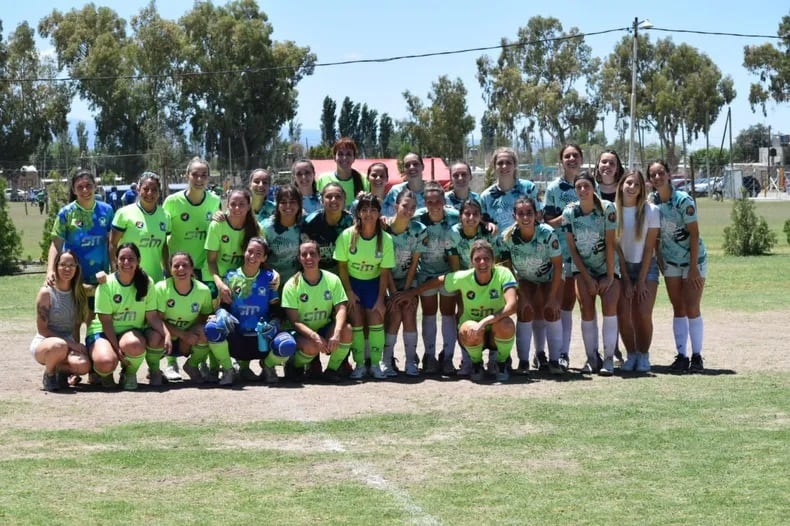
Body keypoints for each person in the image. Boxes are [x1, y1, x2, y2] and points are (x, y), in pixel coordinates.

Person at [396, 240, 517, 382]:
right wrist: (412, 292)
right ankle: (476, 363)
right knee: (469, 328)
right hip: (474, 333)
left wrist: (485, 321)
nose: (482, 263)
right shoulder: (464, 277)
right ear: (471, 262)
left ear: (493, 260)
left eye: (486, 259)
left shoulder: (503, 274)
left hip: (494, 331)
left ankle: (501, 363)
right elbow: (439, 280)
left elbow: (512, 305)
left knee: (506, 325)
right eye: (477, 259)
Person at [161, 157, 221, 380]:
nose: (199, 179)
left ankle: (200, 360)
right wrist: (167, 267)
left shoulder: (214, 201)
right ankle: (170, 363)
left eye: (203, 175)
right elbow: (163, 237)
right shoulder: (172, 202)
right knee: (172, 313)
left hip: (203, 268)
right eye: (195, 174)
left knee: (203, 315)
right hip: (177, 270)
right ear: (187, 175)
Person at [648, 159, 707, 373]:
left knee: (692, 307)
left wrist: (693, 267)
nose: (657, 177)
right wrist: (661, 261)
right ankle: (681, 355)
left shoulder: (683, 200)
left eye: (661, 173)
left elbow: (694, 234)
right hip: (671, 262)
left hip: (693, 261)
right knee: (678, 308)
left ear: (669, 174)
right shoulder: (652, 202)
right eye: (653, 175)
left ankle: (697, 356)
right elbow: (654, 235)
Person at [211, 237, 295, 383]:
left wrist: (274, 322)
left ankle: (268, 367)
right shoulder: (231, 277)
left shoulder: (269, 278)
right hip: (237, 338)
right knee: (212, 327)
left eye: (258, 253)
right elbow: (224, 306)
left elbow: (275, 308)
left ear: (264, 258)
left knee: (288, 344)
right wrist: (221, 312)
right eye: (250, 251)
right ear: (244, 252)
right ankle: (228, 369)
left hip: (262, 339)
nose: (253, 256)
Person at [87, 243, 170, 390]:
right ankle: (105, 375)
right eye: (122, 258)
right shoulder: (106, 284)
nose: (126, 262)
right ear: (116, 260)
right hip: (103, 331)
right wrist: (117, 350)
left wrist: (167, 334)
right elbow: (105, 322)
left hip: (129, 332)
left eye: (131, 259)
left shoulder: (147, 282)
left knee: (135, 344)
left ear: (138, 260)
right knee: (105, 362)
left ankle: (129, 373)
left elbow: (152, 317)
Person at [562, 172, 621, 375]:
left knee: (609, 306)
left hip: (608, 267)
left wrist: (610, 276)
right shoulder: (570, 212)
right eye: (578, 187)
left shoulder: (607, 209)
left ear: (593, 188)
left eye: (586, 186)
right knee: (586, 307)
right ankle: (591, 358)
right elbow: (572, 248)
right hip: (583, 268)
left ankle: (609, 358)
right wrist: (586, 278)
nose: (582, 190)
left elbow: (610, 244)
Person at [498, 198, 564, 374]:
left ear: (536, 215)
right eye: (521, 213)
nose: (525, 217)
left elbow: (558, 266)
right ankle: (524, 362)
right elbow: (507, 269)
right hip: (524, 279)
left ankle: (555, 360)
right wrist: (522, 295)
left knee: (551, 311)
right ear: (514, 216)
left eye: (529, 213)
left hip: (550, 277)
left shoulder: (547, 234)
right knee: (525, 311)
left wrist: (552, 299)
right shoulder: (508, 237)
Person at [334, 193, 395, 379]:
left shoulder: (385, 239)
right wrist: (349, 292)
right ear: (358, 213)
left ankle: (375, 365)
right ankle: (359, 365)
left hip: (373, 285)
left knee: (376, 320)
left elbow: (384, 272)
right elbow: (342, 267)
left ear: (379, 214)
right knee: (357, 323)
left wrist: (380, 299)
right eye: (364, 210)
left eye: (373, 210)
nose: (369, 214)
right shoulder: (347, 235)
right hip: (354, 284)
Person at [281, 240, 353, 383]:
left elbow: (341, 308)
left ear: (319, 257)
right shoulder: (292, 284)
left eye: (312, 254)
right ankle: (294, 366)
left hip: (322, 327)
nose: (308, 258)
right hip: (302, 333)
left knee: (347, 330)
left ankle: (332, 370)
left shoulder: (332, 279)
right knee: (311, 346)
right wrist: (314, 336)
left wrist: (337, 332)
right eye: (304, 254)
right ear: (299, 258)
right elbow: (294, 321)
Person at [542, 144, 584, 371]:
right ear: (561, 160)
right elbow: (547, 221)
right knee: (557, 303)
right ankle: (554, 354)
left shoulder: (590, 185)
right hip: (559, 254)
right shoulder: (554, 188)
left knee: (571, 304)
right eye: (567, 156)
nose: (571, 159)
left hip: (584, 253)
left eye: (575, 156)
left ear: (581, 159)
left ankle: (565, 353)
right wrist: (567, 215)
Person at [414, 181, 460, 375]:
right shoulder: (417, 219)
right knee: (429, 313)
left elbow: (475, 222)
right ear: (424, 202)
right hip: (426, 273)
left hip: (449, 272)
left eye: (437, 201)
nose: (434, 205)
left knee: (448, 313)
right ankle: (430, 356)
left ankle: (448, 356)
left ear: (444, 201)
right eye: (429, 201)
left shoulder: (454, 217)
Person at [615, 170, 660, 373]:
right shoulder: (613, 211)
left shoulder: (651, 211)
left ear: (642, 189)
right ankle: (631, 354)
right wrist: (625, 279)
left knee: (642, 313)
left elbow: (650, 248)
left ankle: (643, 354)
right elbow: (616, 248)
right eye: (628, 183)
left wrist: (641, 281)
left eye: (636, 184)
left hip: (646, 266)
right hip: (622, 267)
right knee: (624, 314)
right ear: (621, 185)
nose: (632, 188)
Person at [47, 170, 114, 302]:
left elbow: (111, 243)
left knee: (98, 319)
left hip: (100, 278)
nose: (85, 190)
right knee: (74, 321)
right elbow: (56, 244)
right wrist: (50, 270)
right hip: (73, 278)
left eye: (88, 185)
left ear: (95, 186)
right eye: (80, 187)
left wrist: (114, 269)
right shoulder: (66, 213)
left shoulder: (107, 211)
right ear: (73, 190)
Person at [32, 250, 92, 391]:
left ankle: (62, 373)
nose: (67, 268)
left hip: (67, 344)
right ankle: (50, 374)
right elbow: (43, 329)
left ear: (77, 268)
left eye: (72, 265)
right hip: (45, 343)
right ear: (56, 267)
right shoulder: (47, 292)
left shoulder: (78, 292)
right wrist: (72, 344)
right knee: (59, 346)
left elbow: (99, 289)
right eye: (63, 264)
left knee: (83, 366)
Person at [154, 252, 218, 384]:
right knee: (153, 336)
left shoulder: (203, 290)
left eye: (185, 265)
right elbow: (157, 320)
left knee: (207, 331)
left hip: (187, 339)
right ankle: (154, 370)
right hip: (166, 337)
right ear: (170, 269)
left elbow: (204, 318)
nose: (181, 269)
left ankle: (192, 365)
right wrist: (182, 334)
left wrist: (190, 336)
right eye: (176, 266)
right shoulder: (160, 288)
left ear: (192, 268)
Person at [382, 189, 425, 377]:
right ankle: (386, 361)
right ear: (395, 206)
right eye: (405, 206)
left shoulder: (418, 230)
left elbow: (414, 264)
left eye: (413, 207)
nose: (409, 210)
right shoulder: (383, 229)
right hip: (386, 279)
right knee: (394, 313)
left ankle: (410, 361)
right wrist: (393, 293)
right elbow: (385, 266)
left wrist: (407, 292)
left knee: (408, 310)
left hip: (408, 280)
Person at [110, 171, 171, 283]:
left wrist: (168, 271)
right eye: (146, 189)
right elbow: (112, 244)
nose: (149, 193)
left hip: (156, 279)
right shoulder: (124, 213)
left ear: (159, 192)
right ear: (138, 189)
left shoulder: (165, 215)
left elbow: (164, 247)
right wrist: (116, 271)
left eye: (154, 190)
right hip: (129, 278)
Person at [206, 188, 261, 308]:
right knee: (215, 322)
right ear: (227, 205)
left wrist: (273, 273)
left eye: (241, 204)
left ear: (248, 206)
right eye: (233, 204)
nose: (237, 208)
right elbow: (211, 261)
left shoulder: (256, 228)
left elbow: (262, 258)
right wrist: (220, 284)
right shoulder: (217, 225)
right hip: (216, 278)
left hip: (243, 281)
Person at [480, 147, 541, 232]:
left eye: (508, 163)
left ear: (515, 165)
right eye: (500, 163)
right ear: (494, 166)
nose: (504, 166)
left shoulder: (529, 188)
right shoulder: (486, 196)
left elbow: (539, 216)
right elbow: (481, 223)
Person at [300, 182, 354, 274]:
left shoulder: (351, 222)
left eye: (338, 196)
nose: (333, 200)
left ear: (344, 199)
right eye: (329, 196)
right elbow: (303, 253)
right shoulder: (310, 223)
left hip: (344, 270)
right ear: (322, 200)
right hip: (317, 271)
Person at [261, 184, 303, 288]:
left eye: (292, 202)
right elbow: (258, 257)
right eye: (283, 202)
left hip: (295, 282)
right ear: (277, 205)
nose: (288, 206)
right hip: (270, 282)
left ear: (299, 204)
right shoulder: (266, 228)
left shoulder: (304, 226)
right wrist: (272, 273)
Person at [316, 137, 368, 209]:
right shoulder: (323, 179)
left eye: (348, 154)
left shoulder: (364, 180)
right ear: (334, 157)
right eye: (340, 154)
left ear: (354, 158)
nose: (344, 158)